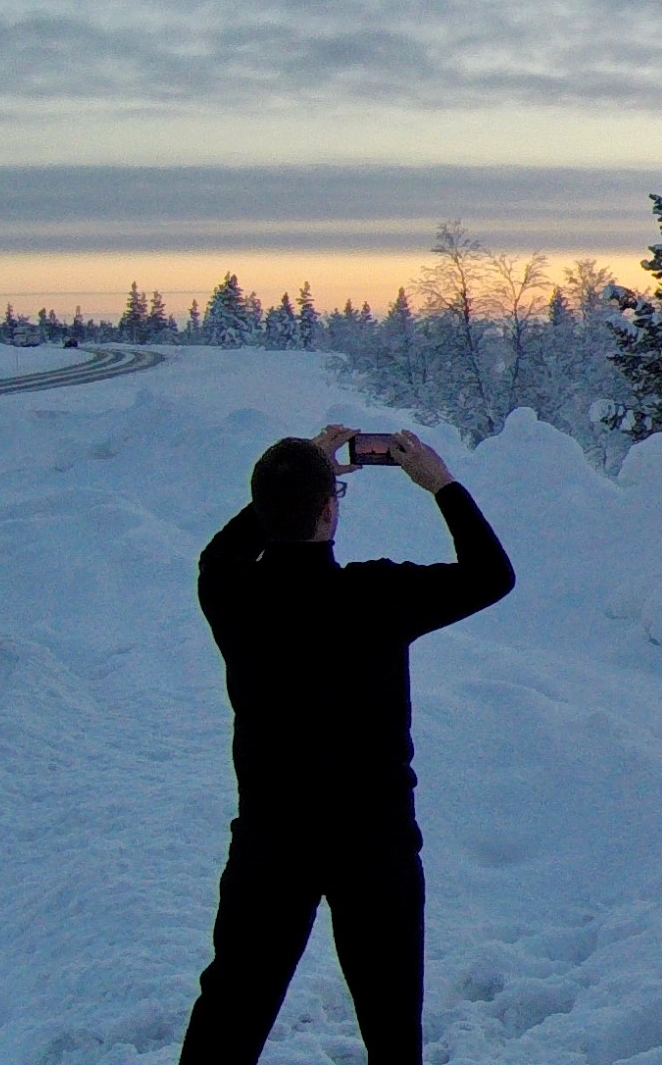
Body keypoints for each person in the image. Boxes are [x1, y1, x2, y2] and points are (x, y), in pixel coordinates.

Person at [180, 425, 515, 1065]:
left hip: (270, 842)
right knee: (391, 1027)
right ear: (331, 508)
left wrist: (294, 480)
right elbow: (491, 575)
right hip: (375, 843)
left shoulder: (231, 593)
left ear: (263, 509)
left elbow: (219, 555)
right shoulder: (375, 595)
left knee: (230, 1011)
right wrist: (440, 483)